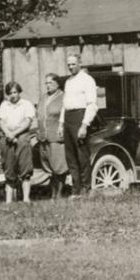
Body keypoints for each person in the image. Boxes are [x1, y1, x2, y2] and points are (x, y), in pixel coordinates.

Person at [61, 54, 99, 196]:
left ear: (80, 63)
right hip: (68, 118)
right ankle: (75, 189)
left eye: (73, 64)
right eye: (69, 64)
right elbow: (65, 105)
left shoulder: (87, 80)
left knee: (82, 155)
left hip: (80, 117)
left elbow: (92, 105)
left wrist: (84, 125)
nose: (71, 67)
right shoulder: (68, 81)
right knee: (70, 156)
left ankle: (85, 188)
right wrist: (61, 124)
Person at [0, 81, 38, 203]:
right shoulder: (4, 105)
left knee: (25, 168)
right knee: (9, 167)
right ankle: (8, 201)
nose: (13, 95)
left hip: (22, 135)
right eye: (10, 93)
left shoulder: (26, 104)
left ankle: (26, 198)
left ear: (19, 92)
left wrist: (15, 134)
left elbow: (27, 121)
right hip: (7, 136)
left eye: (15, 92)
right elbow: (2, 121)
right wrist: (8, 134)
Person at [35, 74, 70, 198]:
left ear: (58, 84)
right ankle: (52, 193)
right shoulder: (43, 98)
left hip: (56, 137)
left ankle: (58, 194)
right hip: (43, 137)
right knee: (48, 166)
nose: (48, 85)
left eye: (50, 83)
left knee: (58, 166)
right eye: (46, 83)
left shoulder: (64, 97)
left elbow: (66, 117)